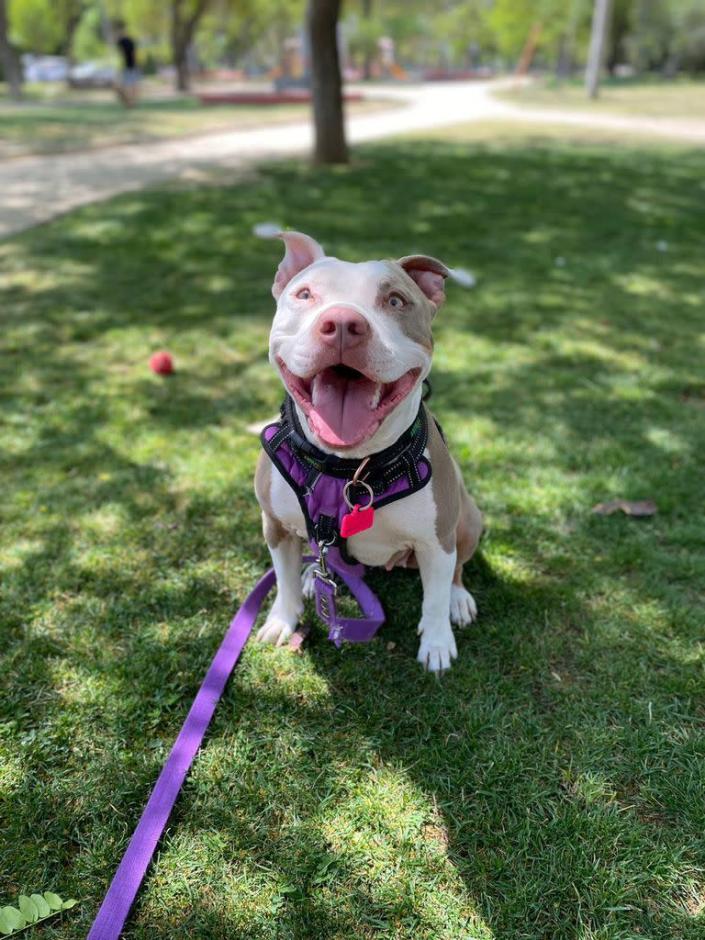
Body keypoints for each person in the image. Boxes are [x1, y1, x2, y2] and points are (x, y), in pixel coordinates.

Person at [115, 23, 139, 107]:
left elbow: (133, 54)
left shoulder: (125, 41)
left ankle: (131, 102)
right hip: (127, 66)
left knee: (130, 86)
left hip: (128, 66)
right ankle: (130, 102)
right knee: (130, 86)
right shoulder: (124, 41)